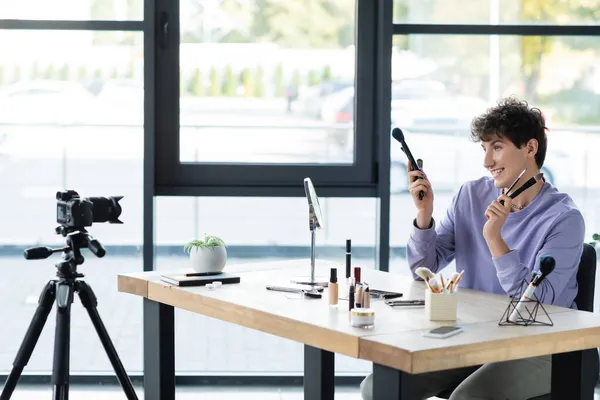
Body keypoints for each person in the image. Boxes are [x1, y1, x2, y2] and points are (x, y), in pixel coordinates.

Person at [360, 97, 585, 400]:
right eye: (484, 149)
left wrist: (495, 239)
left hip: (544, 345)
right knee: (377, 388)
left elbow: (536, 305)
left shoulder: (564, 219)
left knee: (467, 397)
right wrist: (424, 213)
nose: (487, 162)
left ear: (530, 148)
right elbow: (421, 269)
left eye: (497, 147)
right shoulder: (471, 195)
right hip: (475, 338)